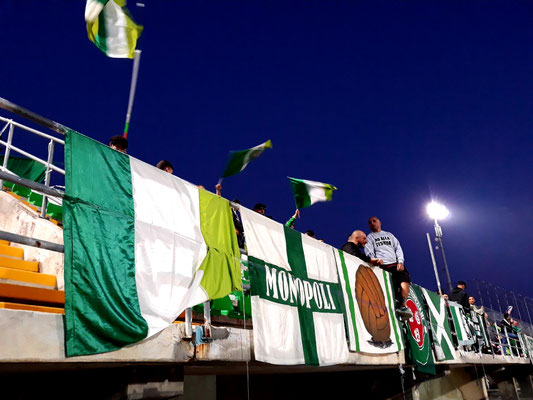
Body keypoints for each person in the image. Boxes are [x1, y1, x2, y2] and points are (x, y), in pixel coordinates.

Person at [364, 216, 412, 319]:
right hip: (382, 265)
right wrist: (375, 260)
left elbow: (398, 248)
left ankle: (403, 306)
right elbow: (369, 251)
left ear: (379, 222)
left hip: (395, 263)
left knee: (404, 280)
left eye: (374, 221)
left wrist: (400, 261)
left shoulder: (389, 235)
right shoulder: (370, 237)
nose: (372, 223)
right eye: (370, 222)